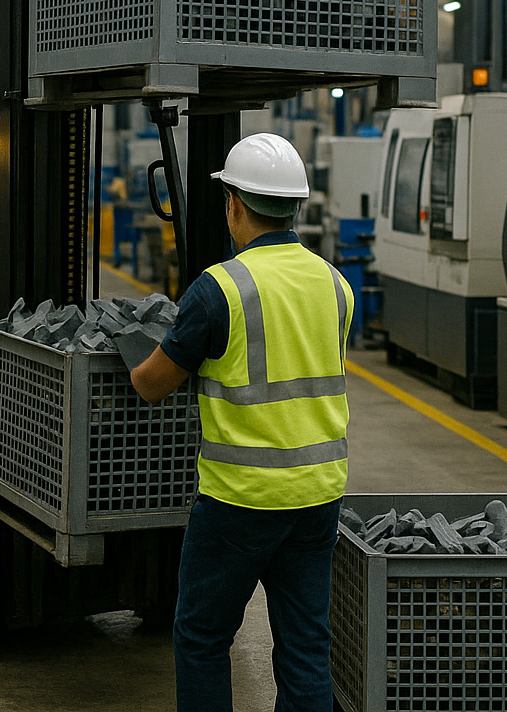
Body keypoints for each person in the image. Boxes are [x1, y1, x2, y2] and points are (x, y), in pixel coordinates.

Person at [129, 132, 352, 712]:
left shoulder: (219, 289)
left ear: (233, 204)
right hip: (317, 497)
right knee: (305, 647)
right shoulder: (336, 286)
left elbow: (152, 384)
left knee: (202, 638)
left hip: (240, 500)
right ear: (295, 206)